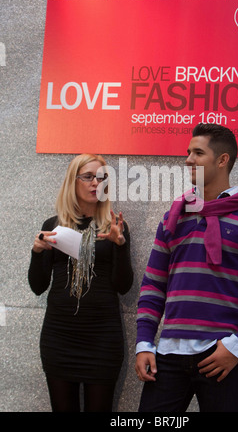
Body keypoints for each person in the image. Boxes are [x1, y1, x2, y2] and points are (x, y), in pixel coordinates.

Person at [135, 123, 238, 412]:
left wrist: (237, 346)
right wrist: (143, 343)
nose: (188, 159)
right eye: (188, 152)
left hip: (221, 357)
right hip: (167, 355)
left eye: (198, 152)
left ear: (222, 160)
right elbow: (153, 285)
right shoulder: (174, 217)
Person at [28, 153, 133, 412]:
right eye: (88, 177)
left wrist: (120, 245)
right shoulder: (53, 226)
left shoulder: (115, 226)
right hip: (59, 338)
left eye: (101, 178)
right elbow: (38, 286)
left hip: (102, 339)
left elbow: (124, 286)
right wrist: (37, 252)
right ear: (72, 182)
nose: (95, 183)